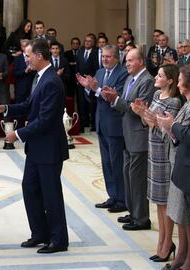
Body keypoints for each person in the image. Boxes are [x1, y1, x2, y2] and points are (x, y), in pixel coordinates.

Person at [0, 39, 69, 254]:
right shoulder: (40, 78)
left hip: (48, 149)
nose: (25, 59)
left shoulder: (51, 81)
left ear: (39, 56)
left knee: (51, 195)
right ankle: (40, 233)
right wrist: (2, 108)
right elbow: (28, 106)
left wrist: (17, 134)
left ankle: (58, 240)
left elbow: (46, 120)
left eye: (28, 55)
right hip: (37, 148)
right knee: (30, 189)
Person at [131, 64, 181, 262]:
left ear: (170, 80)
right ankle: (162, 241)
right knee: (158, 202)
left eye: (160, 76)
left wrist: (149, 118)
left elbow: (167, 132)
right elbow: (148, 124)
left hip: (164, 154)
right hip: (153, 151)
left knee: (166, 202)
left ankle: (167, 243)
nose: (156, 78)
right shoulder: (156, 96)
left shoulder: (174, 102)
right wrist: (141, 113)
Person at [101, 48, 156, 230]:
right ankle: (133, 213)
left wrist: (116, 100)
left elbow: (137, 107)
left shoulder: (147, 80)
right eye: (126, 61)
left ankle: (141, 219)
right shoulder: (130, 79)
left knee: (137, 179)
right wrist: (114, 99)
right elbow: (127, 103)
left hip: (138, 136)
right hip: (127, 133)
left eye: (131, 61)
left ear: (140, 61)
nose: (127, 64)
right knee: (128, 177)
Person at [76, 45, 128, 213]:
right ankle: (112, 196)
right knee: (106, 163)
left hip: (115, 125)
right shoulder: (99, 72)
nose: (104, 59)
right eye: (103, 56)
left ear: (116, 58)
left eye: (108, 57)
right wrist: (87, 88)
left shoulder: (122, 74)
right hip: (101, 124)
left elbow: (115, 98)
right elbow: (92, 98)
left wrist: (95, 89)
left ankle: (122, 199)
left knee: (117, 163)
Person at [156, 64, 190, 270]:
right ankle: (183, 256)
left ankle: (188, 260)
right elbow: (179, 136)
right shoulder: (188, 103)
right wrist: (168, 126)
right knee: (183, 214)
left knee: (188, 217)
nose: (178, 82)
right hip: (183, 165)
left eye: (180, 79)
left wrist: (172, 125)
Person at [13, 39, 36, 103]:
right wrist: (24, 71)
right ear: (21, 47)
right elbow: (15, 73)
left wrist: (33, 69)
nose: (25, 47)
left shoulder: (34, 57)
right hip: (21, 88)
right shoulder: (17, 58)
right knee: (19, 108)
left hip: (32, 86)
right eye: (23, 46)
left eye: (27, 45)